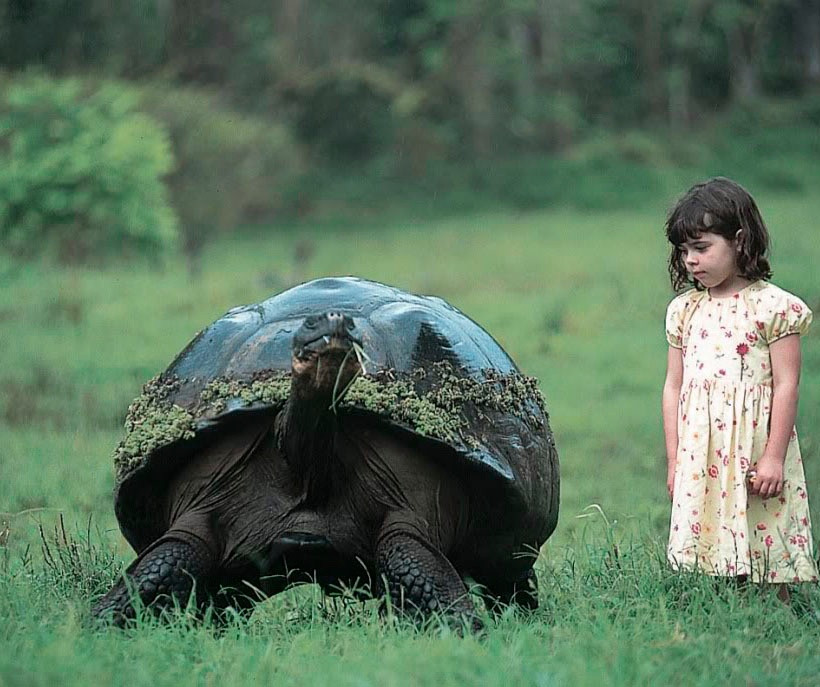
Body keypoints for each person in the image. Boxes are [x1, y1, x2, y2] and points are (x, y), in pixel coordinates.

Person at [662, 176, 817, 597]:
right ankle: (726, 604)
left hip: (754, 441)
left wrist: (774, 457)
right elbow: (673, 386)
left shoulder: (773, 308)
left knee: (764, 521)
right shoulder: (685, 311)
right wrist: (675, 457)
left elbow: (787, 385)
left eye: (702, 247)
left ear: (740, 240)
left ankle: (776, 608)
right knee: (710, 521)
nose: (691, 260)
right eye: (684, 251)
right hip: (703, 444)